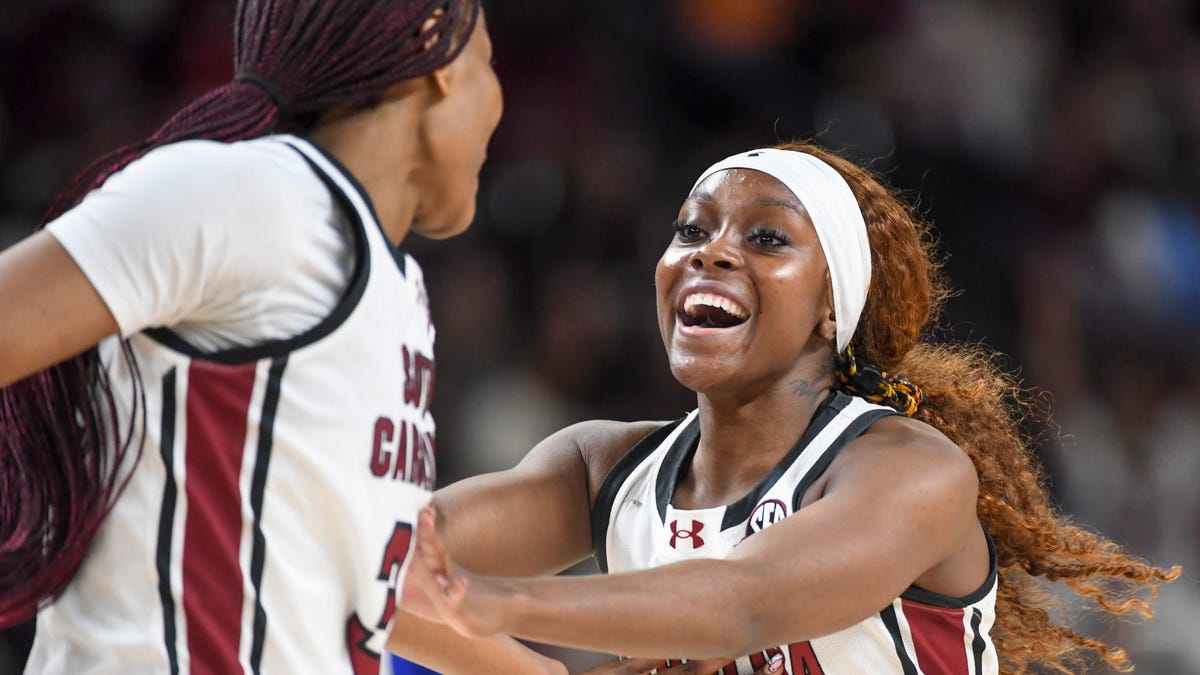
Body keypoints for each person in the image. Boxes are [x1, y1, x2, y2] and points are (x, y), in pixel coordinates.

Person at [385, 142, 1180, 674]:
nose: (711, 250)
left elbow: (741, 604)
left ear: (832, 305)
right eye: (690, 229)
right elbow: (384, 552)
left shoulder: (912, 470)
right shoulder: (600, 466)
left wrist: (491, 601)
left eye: (767, 238)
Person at [0, 1, 565, 673]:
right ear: (435, 49)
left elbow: (362, 584)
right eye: (488, 63)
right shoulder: (260, 196)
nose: (499, 105)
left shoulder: (391, 284)